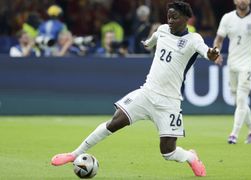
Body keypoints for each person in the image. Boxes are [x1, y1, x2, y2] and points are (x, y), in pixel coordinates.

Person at [51, 1, 220, 177]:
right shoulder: (162, 30)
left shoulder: (193, 40)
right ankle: (74, 154)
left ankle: (191, 157)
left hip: (169, 102)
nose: (170, 20)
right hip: (146, 93)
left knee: (168, 153)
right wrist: (147, 43)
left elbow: (207, 52)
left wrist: (212, 54)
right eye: (168, 16)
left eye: (174, 17)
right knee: (114, 122)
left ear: (186, 19)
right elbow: (153, 39)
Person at [213, 0, 251, 144]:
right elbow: (219, 39)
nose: (242, 1)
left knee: (241, 99)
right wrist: (216, 53)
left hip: (248, 64)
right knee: (237, 100)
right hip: (232, 63)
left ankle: (233, 134)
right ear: (235, 1)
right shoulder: (227, 18)